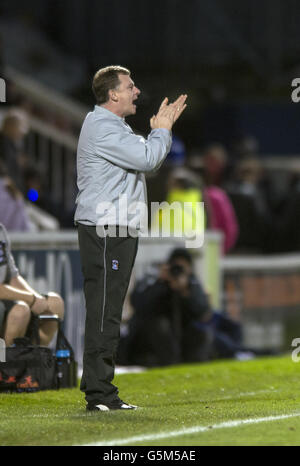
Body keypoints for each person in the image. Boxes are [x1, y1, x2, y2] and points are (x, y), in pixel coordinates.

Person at [74, 65, 187, 412]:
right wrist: (163, 131)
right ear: (114, 94)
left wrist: (155, 133)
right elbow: (148, 158)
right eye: (130, 86)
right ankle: (99, 393)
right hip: (106, 229)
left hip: (116, 229)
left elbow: (142, 155)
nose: (137, 91)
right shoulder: (103, 128)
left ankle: (100, 387)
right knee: (106, 310)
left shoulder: (113, 126)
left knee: (109, 309)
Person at [0, 222, 64, 347]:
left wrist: (36, 298)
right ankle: (6, 363)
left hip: (4, 296)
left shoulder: (0, 230)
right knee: (20, 311)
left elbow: (13, 276)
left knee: (55, 303)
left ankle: (33, 357)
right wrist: (30, 299)